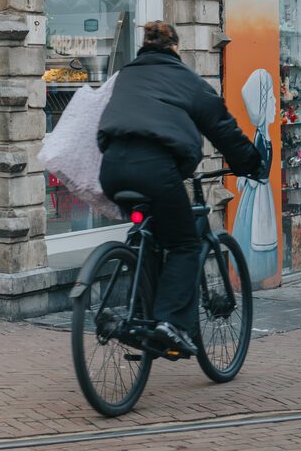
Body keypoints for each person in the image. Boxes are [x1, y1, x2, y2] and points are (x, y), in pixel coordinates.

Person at [97, 21, 262, 357]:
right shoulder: (187, 80)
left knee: (152, 236)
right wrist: (252, 164)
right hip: (156, 170)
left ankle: (141, 318)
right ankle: (168, 323)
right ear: (175, 48)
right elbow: (223, 129)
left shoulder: (126, 75)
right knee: (185, 243)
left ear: (144, 46)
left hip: (112, 168)